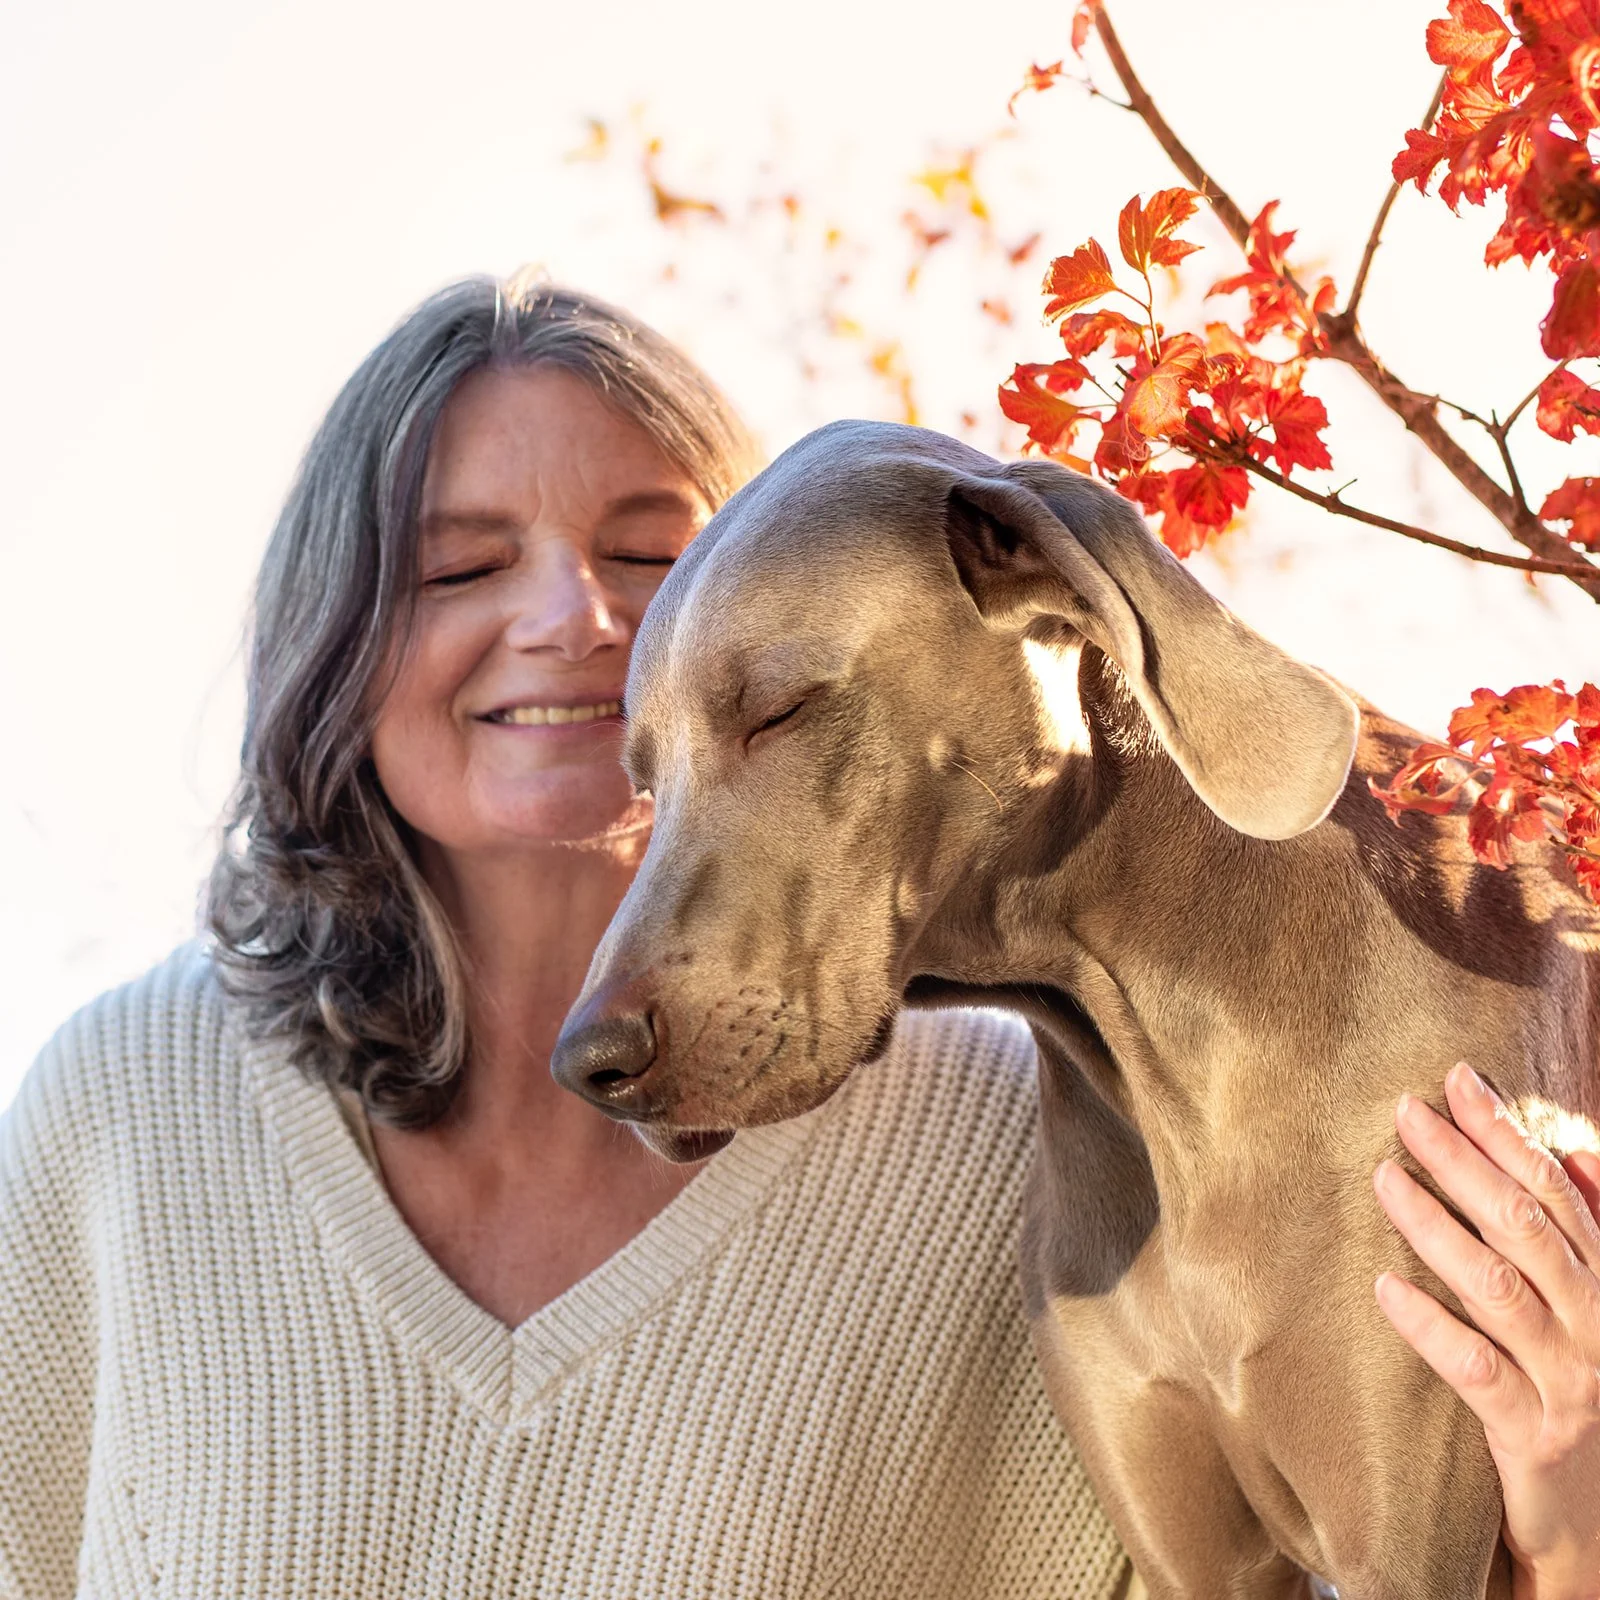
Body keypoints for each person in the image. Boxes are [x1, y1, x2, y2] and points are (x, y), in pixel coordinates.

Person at [0, 272, 1592, 1599]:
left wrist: (1575, 1536)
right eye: (465, 563)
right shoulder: (123, 1112)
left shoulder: (998, 1143)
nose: (583, 622)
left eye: (656, 559)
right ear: (338, 635)